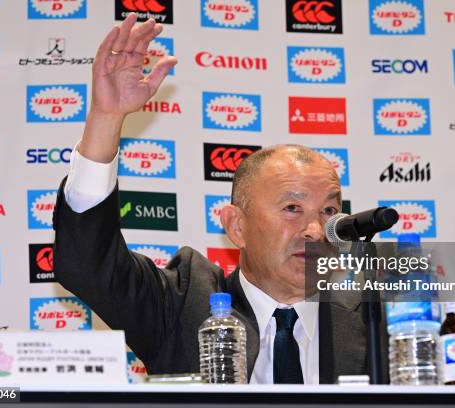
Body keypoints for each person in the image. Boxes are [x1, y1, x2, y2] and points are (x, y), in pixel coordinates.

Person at [53, 13, 369, 384]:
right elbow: (88, 265)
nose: (315, 230)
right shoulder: (184, 304)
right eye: (292, 208)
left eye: (329, 211)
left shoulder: (374, 319)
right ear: (237, 226)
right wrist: (106, 118)